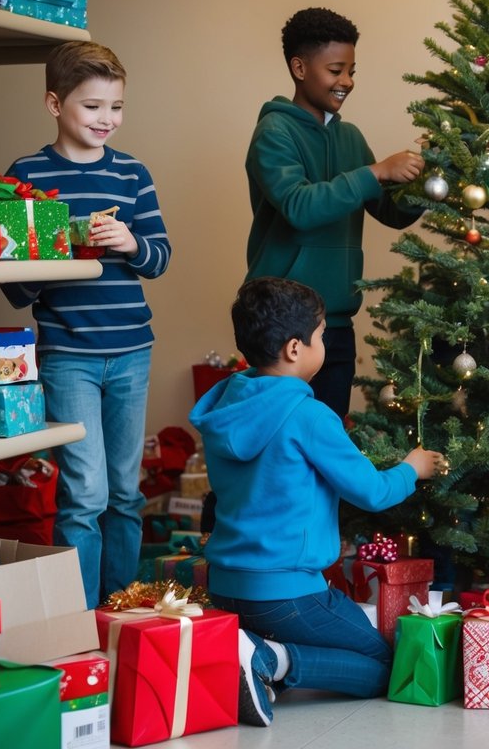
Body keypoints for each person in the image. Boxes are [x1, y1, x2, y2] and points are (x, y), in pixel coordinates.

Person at [190, 277, 444, 727]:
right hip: (287, 594)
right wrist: (413, 468)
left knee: (341, 643)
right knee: (388, 666)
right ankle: (269, 658)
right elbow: (372, 491)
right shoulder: (309, 415)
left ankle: (252, 652)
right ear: (294, 348)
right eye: (323, 334)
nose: (324, 342)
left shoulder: (226, 405)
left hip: (225, 587)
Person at [0, 41, 172, 609]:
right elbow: (14, 286)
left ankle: (122, 610)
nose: (107, 120)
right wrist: (56, 253)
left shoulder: (132, 173)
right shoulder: (27, 176)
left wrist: (131, 242)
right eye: (93, 106)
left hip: (131, 352)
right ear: (54, 103)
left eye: (116, 107)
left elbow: (161, 257)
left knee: (125, 491)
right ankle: (79, 617)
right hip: (67, 356)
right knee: (84, 494)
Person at [244, 6, 426, 419]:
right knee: (285, 442)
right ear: (299, 67)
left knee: (328, 437)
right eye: (336, 70)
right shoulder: (273, 133)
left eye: (352, 71)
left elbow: (391, 212)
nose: (346, 82)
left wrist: (425, 179)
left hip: (336, 323)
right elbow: (299, 207)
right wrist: (377, 171)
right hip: (281, 322)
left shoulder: (350, 137)